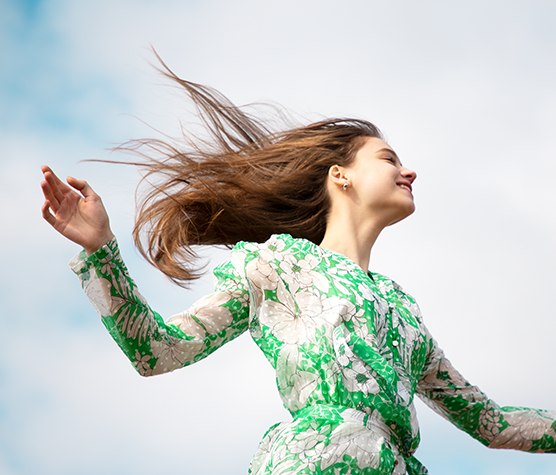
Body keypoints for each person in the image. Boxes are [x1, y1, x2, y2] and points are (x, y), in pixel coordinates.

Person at [40, 69, 556, 475]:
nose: (409, 171)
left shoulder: (403, 314)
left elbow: (492, 423)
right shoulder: (277, 265)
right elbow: (158, 350)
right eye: (388, 159)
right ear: (341, 176)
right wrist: (101, 250)